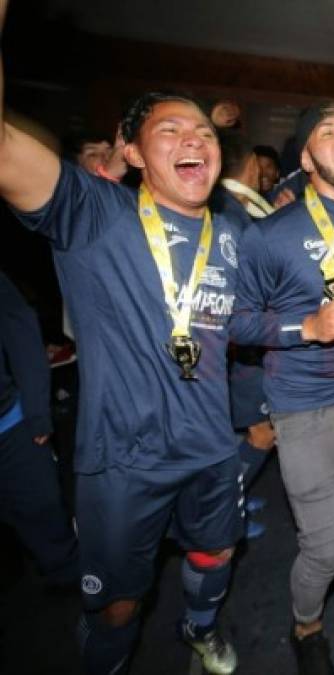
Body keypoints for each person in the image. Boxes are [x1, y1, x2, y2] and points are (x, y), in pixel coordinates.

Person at [1, 56, 245, 675]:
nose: (193, 139)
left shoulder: (231, 233)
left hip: (213, 448)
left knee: (215, 553)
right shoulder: (94, 215)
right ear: (131, 153)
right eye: (170, 130)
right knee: (119, 607)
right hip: (124, 460)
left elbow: (241, 325)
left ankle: (199, 628)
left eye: (205, 134)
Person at [230, 102, 334, 673]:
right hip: (302, 410)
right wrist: (306, 327)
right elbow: (235, 322)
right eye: (329, 132)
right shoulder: (270, 235)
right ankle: (307, 624)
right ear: (306, 158)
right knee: (321, 545)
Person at [0, 271, 79, 589]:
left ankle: (79, 586)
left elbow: (18, 327)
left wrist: (35, 409)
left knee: (43, 507)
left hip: (9, 423)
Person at [216, 132, 277, 540]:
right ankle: (224, 510)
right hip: (244, 347)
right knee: (262, 433)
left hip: (243, 348)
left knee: (245, 432)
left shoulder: (233, 206)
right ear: (252, 164)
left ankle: (230, 497)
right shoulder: (231, 214)